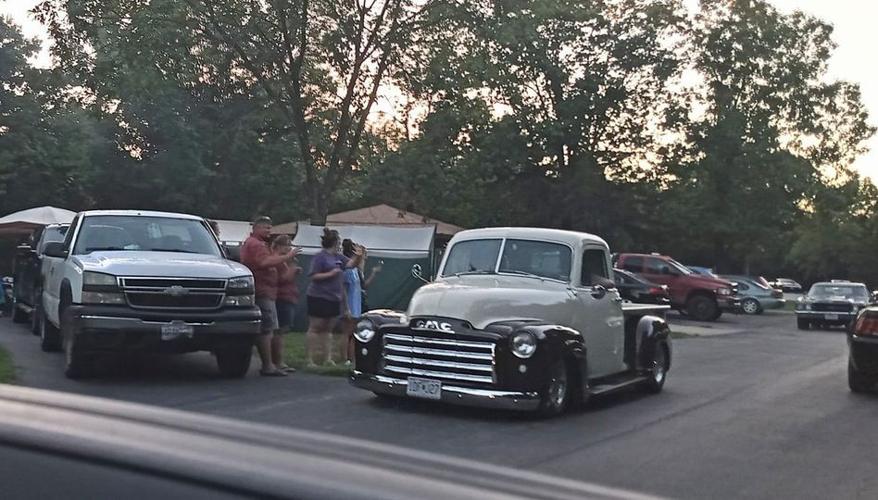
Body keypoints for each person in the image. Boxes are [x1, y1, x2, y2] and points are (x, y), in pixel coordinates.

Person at [240, 216, 300, 376]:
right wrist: (288, 257)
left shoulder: (260, 244)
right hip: (263, 291)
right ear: (255, 228)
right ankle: (268, 366)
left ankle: (272, 364)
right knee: (267, 330)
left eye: (269, 227)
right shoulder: (254, 244)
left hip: (269, 292)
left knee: (271, 329)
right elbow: (264, 263)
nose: (268, 231)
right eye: (265, 227)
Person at [305, 228, 363, 366]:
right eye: (338, 242)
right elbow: (313, 276)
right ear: (334, 242)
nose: (340, 245)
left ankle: (328, 358)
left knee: (328, 329)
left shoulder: (339, 257)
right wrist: (330, 274)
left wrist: (358, 256)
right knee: (315, 327)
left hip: (334, 297)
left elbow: (351, 264)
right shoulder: (320, 257)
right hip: (318, 296)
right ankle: (310, 360)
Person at [339, 240, 382, 364]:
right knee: (346, 333)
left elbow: (361, 285)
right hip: (349, 306)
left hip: (356, 305)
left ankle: (351, 358)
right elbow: (344, 290)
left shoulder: (354, 270)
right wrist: (346, 308)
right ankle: (344, 358)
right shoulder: (346, 270)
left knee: (352, 334)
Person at [274, 235, 301, 373]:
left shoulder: (285, 261)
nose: (289, 248)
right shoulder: (279, 261)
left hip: (289, 297)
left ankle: (279, 361)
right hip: (282, 297)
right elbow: (282, 279)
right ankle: (278, 362)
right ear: (278, 246)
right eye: (287, 245)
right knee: (279, 331)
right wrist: (292, 268)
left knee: (282, 331)